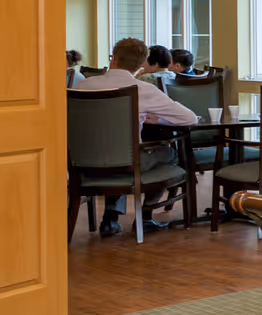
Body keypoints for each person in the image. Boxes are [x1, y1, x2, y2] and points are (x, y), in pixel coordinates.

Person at [72, 37, 196, 236]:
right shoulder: (144, 90)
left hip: (84, 162)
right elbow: (189, 118)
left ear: (113, 59)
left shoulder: (83, 86)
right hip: (126, 162)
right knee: (168, 154)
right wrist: (155, 120)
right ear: (140, 65)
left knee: (118, 151)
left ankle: (111, 218)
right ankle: (145, 216)